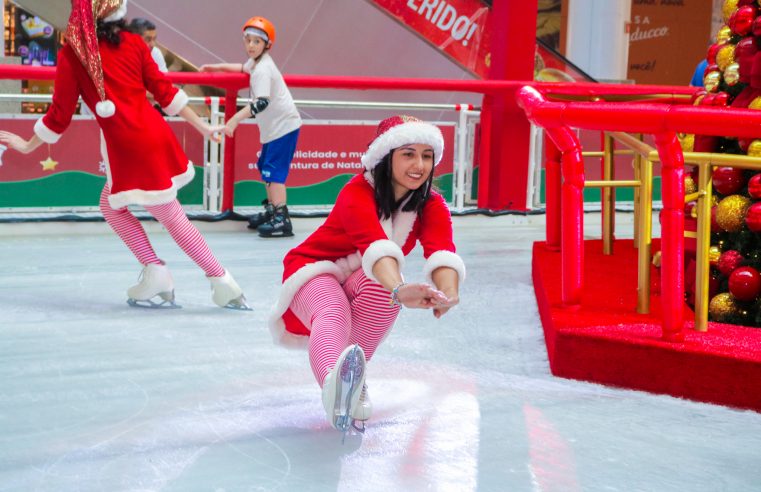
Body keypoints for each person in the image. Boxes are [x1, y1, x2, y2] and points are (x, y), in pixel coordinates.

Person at [0, 0, 249, 310]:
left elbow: (59, 115)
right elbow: (164, 90)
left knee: (170, 215)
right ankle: (158, 271)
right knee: (111, 203)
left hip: (129, 145)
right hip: (154, 134)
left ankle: (220, 280)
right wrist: (202, 125)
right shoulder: (133, 43)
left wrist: (27, 145)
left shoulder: (74, 55)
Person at [268, 115, 465, 433]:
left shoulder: (431, 205)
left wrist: (449, 293)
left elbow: (442, 252)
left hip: (364, 278)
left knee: (382, 290)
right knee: (336, 309)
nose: (419, 165)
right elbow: (375, 246)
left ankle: (353, 377)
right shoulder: (357, 191)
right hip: (315, 270)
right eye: (408, 154)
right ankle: (336, 381)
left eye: (427, 155)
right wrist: (400, 290)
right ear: (386, 158)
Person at [200, 16, 301, 238]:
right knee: (265, 166)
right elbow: (241, 68)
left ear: (267, 45)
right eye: (248, 41)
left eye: (257, 42)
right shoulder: (256, 63)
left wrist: (234, 119)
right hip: (274, 128)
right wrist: (214, 67)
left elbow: (261, 102)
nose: (251, 46)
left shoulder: (264, 68)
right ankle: (273, 210)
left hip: (283, 126)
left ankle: (282, 219)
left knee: (274, 173)